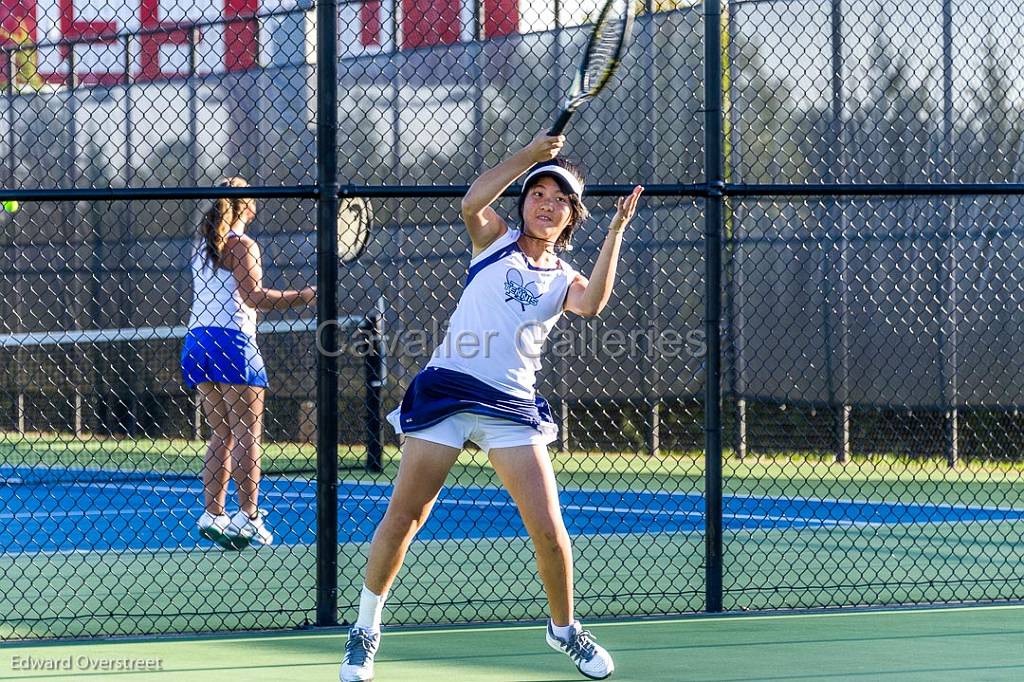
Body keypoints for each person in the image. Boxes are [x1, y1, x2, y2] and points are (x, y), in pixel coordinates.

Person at [339, 136, 643, 681]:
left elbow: (592, 303)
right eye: (538, 193)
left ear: (571, 216)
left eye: (559, 199)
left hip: (511, 406)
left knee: (550, 531)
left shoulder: (563, 278)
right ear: (523, 201)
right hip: (449, 393)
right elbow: (471, 202)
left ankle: (564, 629)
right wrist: (531, 154)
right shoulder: (494, 240)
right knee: (407, 517)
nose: (546, 203)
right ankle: (365, 630)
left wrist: (617, 232)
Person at [181, 177, 316, 549]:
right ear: (249, 208)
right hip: (231, 341)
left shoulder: (203, 246)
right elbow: (253, 296)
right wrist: (304, 296)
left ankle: (213, 514)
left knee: (222, 432)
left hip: (196, 341)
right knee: (246, 432)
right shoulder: (242, 245)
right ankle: (249, 518)